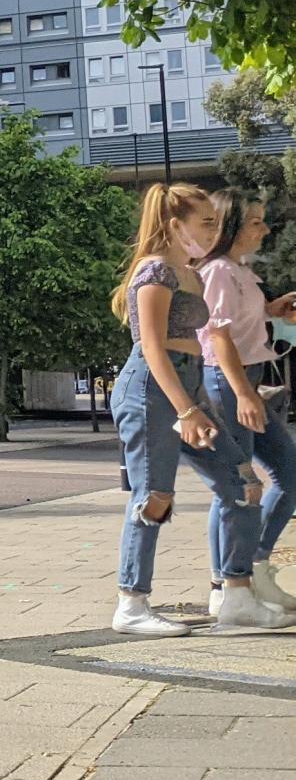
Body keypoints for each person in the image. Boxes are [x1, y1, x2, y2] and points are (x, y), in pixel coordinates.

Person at [106, 183, 289, 635]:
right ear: (174, 225)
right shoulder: (154, 272)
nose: (213, 231)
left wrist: (198, 405)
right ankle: (132, 605)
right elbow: (151, 348)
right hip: (151, 390)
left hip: (186, 389)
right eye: (205, 223)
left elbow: (201, 345)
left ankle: (237, 595)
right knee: (154, 497)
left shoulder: (189, 271)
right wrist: (187, 411)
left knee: (242, 480)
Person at [196, 189, 296, 613]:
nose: (265, 229)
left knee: (288, 475)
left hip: (244, 377)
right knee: (236, 486)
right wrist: (242, 393)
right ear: (232, 225)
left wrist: (273, 310)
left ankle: (251, 568)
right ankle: (227, 586)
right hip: (228, 380)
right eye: (257, 221)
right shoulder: (218, 270)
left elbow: (237, 326)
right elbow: (218, 335)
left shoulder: (239, 271)